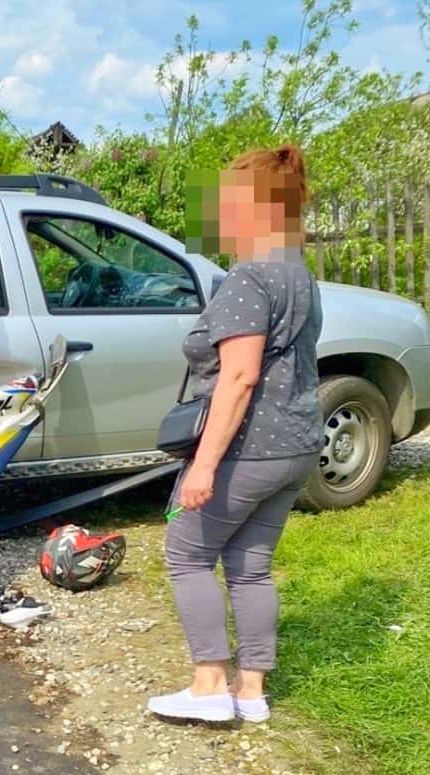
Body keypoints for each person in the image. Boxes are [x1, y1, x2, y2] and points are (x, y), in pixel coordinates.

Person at [147, 145, 323, 724]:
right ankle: (251, 692)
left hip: (249, 448)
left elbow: (240, 376)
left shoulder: (250, 277)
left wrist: (203, 465)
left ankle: (209, 686)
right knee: (251, 566)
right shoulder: (300, 275)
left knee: (186, 553)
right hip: (297, 444)